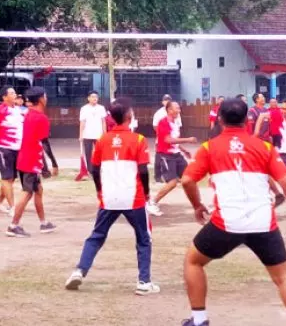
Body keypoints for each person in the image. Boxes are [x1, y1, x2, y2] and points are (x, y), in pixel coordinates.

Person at [179, 97, 286, 326]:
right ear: (247, 119)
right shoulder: (265, 147)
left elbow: (188, 180)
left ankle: (199, 320)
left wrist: (197, 205)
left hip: (226, 223)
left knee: (193, 261)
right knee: (284, 277)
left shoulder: (210, 148)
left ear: (219, 119)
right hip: (263, 223)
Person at [65, 97, 158, 296]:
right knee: (143, 238)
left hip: (108, 197)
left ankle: (79, 270)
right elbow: (143, 170)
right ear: (128, 116)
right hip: (134, 198)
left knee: (96, 236)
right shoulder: (138, 140)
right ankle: (144, 281)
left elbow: (94, 169)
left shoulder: (102, 140)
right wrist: (148, 192)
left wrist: (100, 190)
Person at [7, 86, 58, 237]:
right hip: (31, 160)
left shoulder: (28, 114)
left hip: (25, 157)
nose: (47, 99)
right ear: (41, 99)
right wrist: (53, 164)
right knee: (27, 192)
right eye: (45, 96)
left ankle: (43, 223)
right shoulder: (41, 117)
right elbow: (44, 143)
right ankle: (13, 225)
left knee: (38, 190)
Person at [147, 101, 198, 217]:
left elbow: (174, 140)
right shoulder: (164, 122)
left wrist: (184, 150)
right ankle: (152, 202)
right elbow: (168, 140)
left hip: (176, 154)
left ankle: (197, 204)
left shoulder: (175, 122)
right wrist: (188, 140)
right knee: (173, 182)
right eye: (177, 108)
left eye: (179, 108)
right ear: (169, 110)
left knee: (189, 177)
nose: (179, 110)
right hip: (165, 155)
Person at [77, 91, 107, 182]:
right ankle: (90, 170)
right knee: (88, 153)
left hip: (99, 134)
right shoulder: (84, 108)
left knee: (99, 153)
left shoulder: (101, 108)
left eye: (96, 97)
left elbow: (103, 121)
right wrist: (80, 134)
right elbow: (82, 122)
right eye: (93, 97)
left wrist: (105, 133)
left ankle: (98, 168)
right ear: (88, 98)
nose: (95, 99)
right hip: (87, 134)